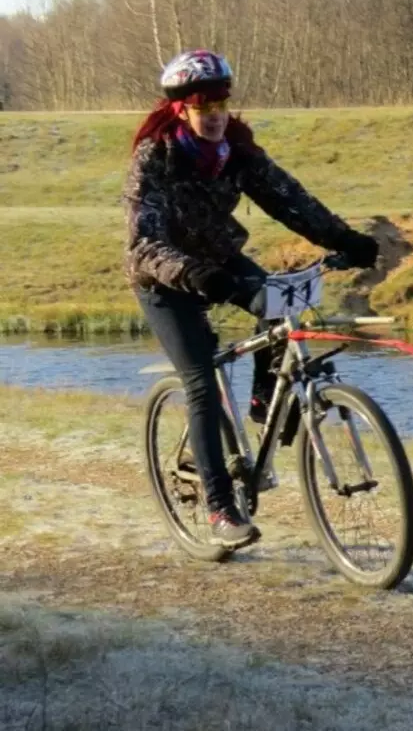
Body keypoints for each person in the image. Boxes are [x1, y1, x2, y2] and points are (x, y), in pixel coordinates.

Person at [123, 49, 379, 549]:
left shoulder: (236, 151)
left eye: (221, 101)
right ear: (182, 110)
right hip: (163, 278)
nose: (215, 113)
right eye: (203, 105)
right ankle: (221, 510)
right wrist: (191, 272)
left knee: (282, 309)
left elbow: (290, 200)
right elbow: (143, 243)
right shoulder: (154, 158)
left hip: (219, 259)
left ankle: (264, 403)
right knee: (201, 385)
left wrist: (344, 239)